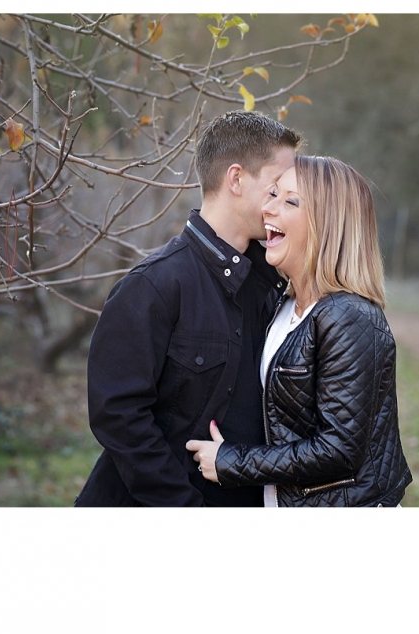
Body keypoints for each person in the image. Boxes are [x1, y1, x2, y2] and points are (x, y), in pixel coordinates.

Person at [74, 110, 303, 506]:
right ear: (236, 179)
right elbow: (119, 417)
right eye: (275, 188)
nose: (282, 203)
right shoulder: (153, 286)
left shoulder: (272, 285)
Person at [186, 155, 413, 506]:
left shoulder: (349, 316)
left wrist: (233, 462)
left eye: (289, 200)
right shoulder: (285, 306)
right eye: (272, 194)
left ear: (328, 223)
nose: (268, 210)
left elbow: (338, 450)